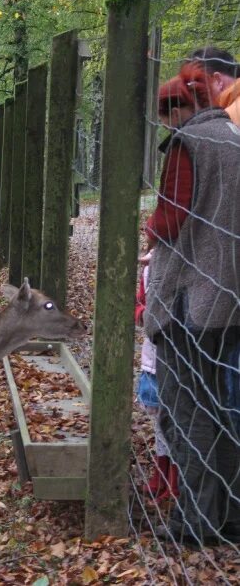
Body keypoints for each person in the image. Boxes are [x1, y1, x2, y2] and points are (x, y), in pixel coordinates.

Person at [144, 66, 240, 547]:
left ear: (178, 110)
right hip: (228, 297)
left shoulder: (188, 145)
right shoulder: (233, 135)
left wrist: (148, 231)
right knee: (221, 407)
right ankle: (228, 513)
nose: (167, 126)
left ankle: (196, 521)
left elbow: (169, 220)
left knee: (188, 409)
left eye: (167, 117)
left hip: (190, 298)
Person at [135, 250, 179, 505]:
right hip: (155, 353)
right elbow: (140, 302)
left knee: (179, 417)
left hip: (179, 357)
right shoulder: (149, 269)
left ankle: (175, 477)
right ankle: (161, 471)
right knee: (160, 418)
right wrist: (143, 314)